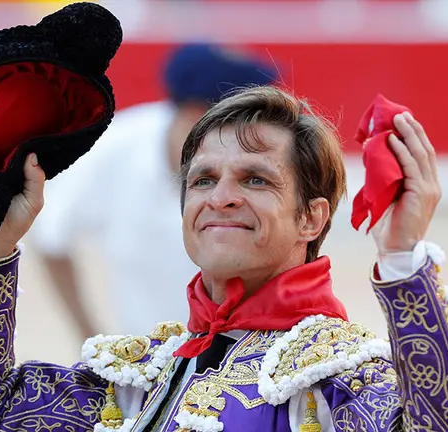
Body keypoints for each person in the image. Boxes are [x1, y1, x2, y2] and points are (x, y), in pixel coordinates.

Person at [0, 86, 448, 431]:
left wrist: (403, 259)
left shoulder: (340, 379)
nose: (221, 196)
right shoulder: (139, 376)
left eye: (254, 179)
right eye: (202, 180)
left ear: (312, 217)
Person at [28, 43, 279, 338]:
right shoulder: (117, 148)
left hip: (244, 355)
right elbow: (51, 236)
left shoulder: (263, 156)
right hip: (147, 359)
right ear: (200, 112)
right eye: (248, 113)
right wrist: (88, 336)